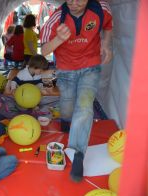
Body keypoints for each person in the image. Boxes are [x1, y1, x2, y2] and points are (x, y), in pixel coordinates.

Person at [40, 0, 113, 182]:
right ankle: (65, 120)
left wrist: (105, 44)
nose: (73, 3)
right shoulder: (57, 17)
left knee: (84, 105)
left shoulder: (100, 9)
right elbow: (43, 50)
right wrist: (58, 39)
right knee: (67, 103)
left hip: (90, 65)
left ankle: (77, 151)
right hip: (65, 69)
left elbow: (108, 26)